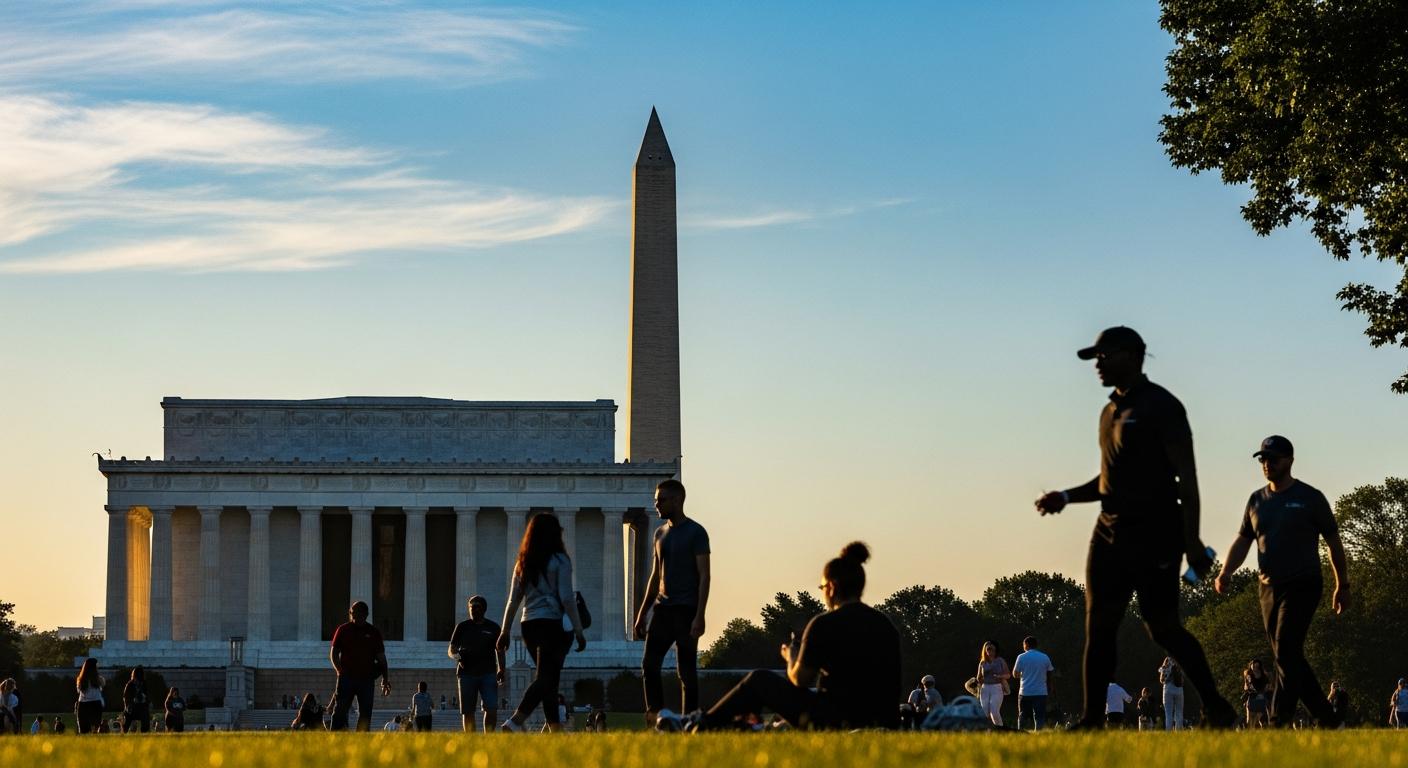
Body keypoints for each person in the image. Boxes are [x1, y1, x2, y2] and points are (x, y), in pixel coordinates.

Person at [1035, 326, 1236, 730]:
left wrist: (1192, 539)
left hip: (1157, 532)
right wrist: (1067, 496)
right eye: (1095, 358)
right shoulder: (1108, 412)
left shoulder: (1164, 407)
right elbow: (1108, 481)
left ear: (1133, 355)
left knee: (1161, 628)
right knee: (1098, 626)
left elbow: (1188, 477)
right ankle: (1092, 721)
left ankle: (1218, 707)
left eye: (1104, 356)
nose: (1097, 364)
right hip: (1107, 533)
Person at [1215, 435, 1351, 728]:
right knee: (1286, 655)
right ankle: (1328, 719)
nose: (1267, 464)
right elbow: (1243, 541)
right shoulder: (1256, 500)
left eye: (1273, 459)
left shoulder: (1310, 498)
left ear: (1289, 460)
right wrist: (1226, 571)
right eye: (1263, 459)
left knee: (1286, 648)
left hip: (1304, 583)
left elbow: (1333, 542)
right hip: (1268, 588)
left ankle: (1278, 722)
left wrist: (1342, 584)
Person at [694, 542, 902, 731]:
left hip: (836, 718)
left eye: (822, 587)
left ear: (832, 587)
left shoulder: (824, 623)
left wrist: (791, 656)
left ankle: (706, 723)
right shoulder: (885, 624)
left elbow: (800, 680)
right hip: (884, 718)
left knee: (760, 680)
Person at [497, 512, 586, 732]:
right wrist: (578, 629)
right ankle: (515, 721)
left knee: (549, 677)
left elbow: (513, 600)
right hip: (552, 624)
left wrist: (505, 630)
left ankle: (554, 728)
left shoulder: (523, 563)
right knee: (547, 677)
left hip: (529, 624)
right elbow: (566, 597)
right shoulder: (560, 560)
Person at [633, 479, 711, 724]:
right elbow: (655, 577)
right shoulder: (659, 533)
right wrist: (642, 612)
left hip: (686, 609)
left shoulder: (696, 532)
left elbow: (705, 575)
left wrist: (700, 614)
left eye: (662, 499)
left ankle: (690, 721)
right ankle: (658, 716)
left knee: (686, 670)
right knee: (649, 664)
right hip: (663, 609)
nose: (656, 504)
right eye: (656, 499)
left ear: (677, 500)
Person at [329, 600, 391, 731]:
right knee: (340, 711)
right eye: (352, 612)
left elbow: (381, 658)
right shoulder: (343, 629)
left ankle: (361, 741)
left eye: (356, 612)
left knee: (365, 713)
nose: (353, 615)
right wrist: (339, 671)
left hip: (366, 678)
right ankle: (335, 737)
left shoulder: (373, 632)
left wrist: (385, 679)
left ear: (365, 614)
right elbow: (334, 653)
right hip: (347, 677)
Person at [448, 594, 506, 732]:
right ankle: (471, 740)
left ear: (484, 609)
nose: (473, 610)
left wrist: (502, 669)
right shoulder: (462, 627)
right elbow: (451, 649)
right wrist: (458, 658)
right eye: (471, 607)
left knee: (491, 708)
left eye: (477, 607)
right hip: (466, 673)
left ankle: (489, 737)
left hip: (488, 673)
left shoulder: (493, 627)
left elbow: (500, 650)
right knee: (468, 711)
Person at [1011, 636, 1056, 731]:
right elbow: (1050, 673)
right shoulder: (1044, 657)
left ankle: (1020, 733)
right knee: (1039, 716)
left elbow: (1015, 674)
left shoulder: (1021, 657)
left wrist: (1024, 674)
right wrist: (1050, 686)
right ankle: (1038, 733)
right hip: (1041, 691)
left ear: (1026, 645)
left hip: (1025, 691)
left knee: (1022, 715)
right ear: (1036, 645)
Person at [976, 641, 1010, 726]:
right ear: (985, 650)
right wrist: (979, 682)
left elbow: (1008, 675)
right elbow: (978, 677)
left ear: (995, 650)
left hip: (997, 687)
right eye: (988, 649)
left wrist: (1000, 676)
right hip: (985, 688)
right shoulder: (982, 662)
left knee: (994, 711)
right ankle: (986, 731)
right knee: (985, 712)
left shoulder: (1000, 660)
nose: (991, 652)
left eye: (992, 649)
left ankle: (1001, 729)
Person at [74, 658, 105, 734]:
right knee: (95, 729)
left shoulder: (80, 680)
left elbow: (79, 691)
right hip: (95, 704)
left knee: (83, 730)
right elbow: (102, 685)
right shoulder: (99, 679)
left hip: (83, 705)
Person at [120, 666, 150, 733]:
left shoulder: (144, 683)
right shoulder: (130, 684)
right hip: (132, 706)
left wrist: (145, 698)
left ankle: (144, 733)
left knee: (145, 718)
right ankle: (124, 732)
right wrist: (127, 706)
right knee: (127, 722)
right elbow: (125, 696)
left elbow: (147, 694)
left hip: (142, 706)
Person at [1158, 657, 1185, 730]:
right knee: (1179, 712)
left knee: (1168, 713)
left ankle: (1169, 731)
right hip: (1179, 689)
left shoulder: (1165, 665)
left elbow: (1161, 680)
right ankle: (1179, 731)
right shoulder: (1179, 664)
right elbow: (1182, 679)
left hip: (1168, 689)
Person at [1243, 659, 1270, 728]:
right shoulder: (1248, 675)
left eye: (1257, 666)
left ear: (1259, 666)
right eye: (1253, 666)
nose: (1255, 668)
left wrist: (1262, 691)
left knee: (1256, 720)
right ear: (1251, 666)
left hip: (1261, 699)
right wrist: (1248, 687)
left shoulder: (1264, 675)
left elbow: (1267, 686)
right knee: (1249, 720)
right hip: (1252, 698)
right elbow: (1245, 687)